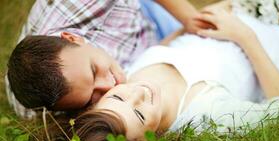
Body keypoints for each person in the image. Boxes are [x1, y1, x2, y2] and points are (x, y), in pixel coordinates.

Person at [51, 8, 279, 141]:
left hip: (235, 13)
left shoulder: (131, 77)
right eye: (139, 113)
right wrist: (245, 36)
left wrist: (199, 20)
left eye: (116, 99)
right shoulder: (206, 115)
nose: (138, 93)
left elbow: (166, 47)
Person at [6, 0, 212, 119]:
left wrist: (191, 21)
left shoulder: (75, 4)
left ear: (73, 38)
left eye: (94, 71)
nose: (111, 84)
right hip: (147, 55)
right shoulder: (38, 108)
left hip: (147, 17)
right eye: (91, 98)